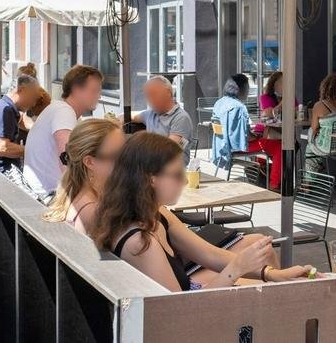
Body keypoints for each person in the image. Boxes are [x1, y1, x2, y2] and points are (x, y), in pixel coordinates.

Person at [92, 132, 314, 291]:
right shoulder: (139, 242)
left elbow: (209, 254)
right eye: (178, 174)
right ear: (151, 179)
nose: (185, 180)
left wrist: (273, 275)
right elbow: (178, 312)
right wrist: (237, 267)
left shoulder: (157, 214)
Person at [22, 65, 103, 203]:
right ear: (77, 90)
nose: (99, 96)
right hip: (47, 197)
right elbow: (67, 160)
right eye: (94, 90)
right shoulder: (64, 112)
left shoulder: (60, 109)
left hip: (38, 192)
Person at [43, 119, 124, 236]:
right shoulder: (93, 212)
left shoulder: (79, 196)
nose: (126, 161)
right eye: (117, 156)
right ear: (89, 162)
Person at [213, 74, 283, 190]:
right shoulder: (239, 107)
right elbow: (245, 137)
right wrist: (254, 136)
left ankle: (262, 171)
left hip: (223, 145)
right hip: (238, 146)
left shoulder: (219, 103)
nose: (248, 91)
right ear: (241, 89)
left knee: (264, 140)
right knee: (279, 146)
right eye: (247, 88)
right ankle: (274, 184)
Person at [0, 74, 40, 182]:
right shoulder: (5, 110)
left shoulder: (4, 105)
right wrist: (33, 150)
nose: (33, 103)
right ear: (21, 90)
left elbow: (22, 122)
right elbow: (2, 148)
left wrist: (38, 129)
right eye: (33, 97)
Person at [304, 73, 336, 176]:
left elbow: (314, 128)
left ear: (325, 88)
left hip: (329, 148)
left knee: (309, 144)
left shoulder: (320, 105)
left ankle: (308, 181)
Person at [132, 76, 193, 161]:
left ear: (168, 93)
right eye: (147, 96)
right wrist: (117, 121)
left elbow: (170, 151)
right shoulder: (151, 113)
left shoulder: (181, 118)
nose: (149, 100)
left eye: (152, 94)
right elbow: (132, 116)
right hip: (151, 165)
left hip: (170, 168)